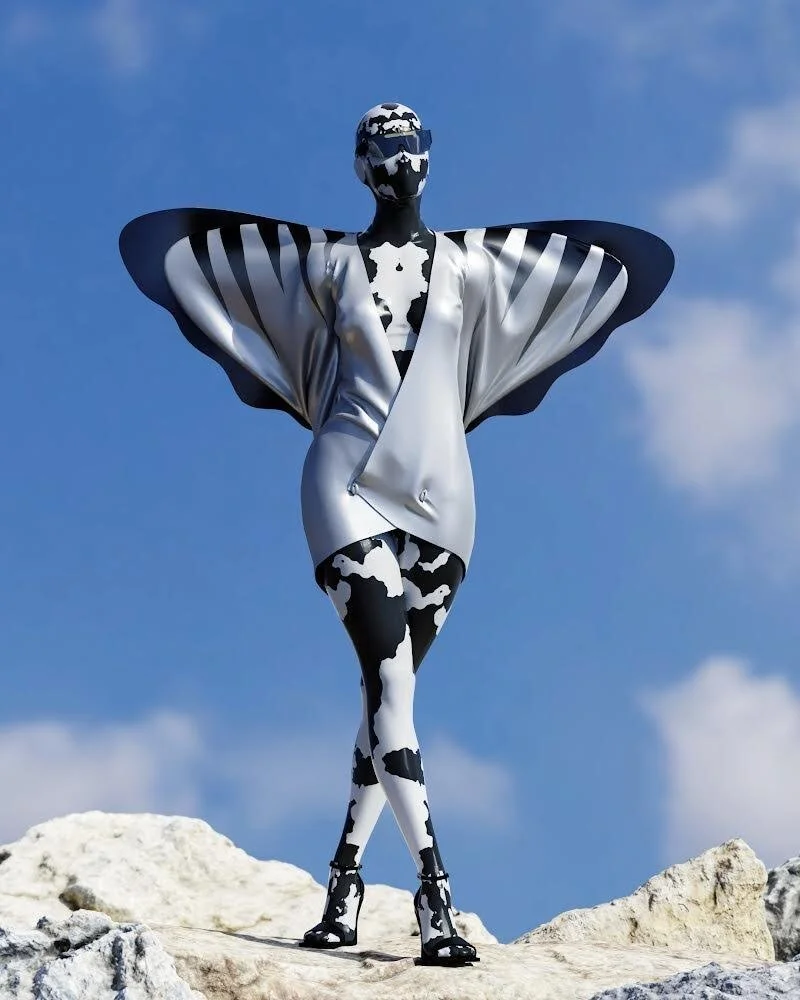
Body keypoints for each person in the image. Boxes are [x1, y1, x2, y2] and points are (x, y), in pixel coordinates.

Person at [119, 102, 673, 967]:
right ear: (359, 166)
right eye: (381, 150)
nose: (398, 162)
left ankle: (342, 882)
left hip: (443, 494)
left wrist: (615, 264)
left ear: (431, 157)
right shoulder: (325, 263)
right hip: (344, 482)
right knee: (388, 679)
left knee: (390, 698)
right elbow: (216, 272)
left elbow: (575, 283)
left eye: (411, 146)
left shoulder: (473, 265)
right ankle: (434, 894)